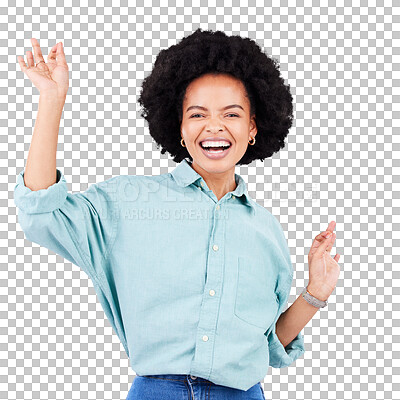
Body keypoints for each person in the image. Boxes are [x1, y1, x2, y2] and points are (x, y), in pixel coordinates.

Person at [14, 29, 341, 400]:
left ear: (252, 127)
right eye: (197, 114)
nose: (214, 126)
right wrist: (52, 101)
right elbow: (42, 212)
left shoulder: (265, 231)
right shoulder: (127, 202)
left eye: (231, 114)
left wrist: (315, 292)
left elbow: (265, 345)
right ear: (181, 129)